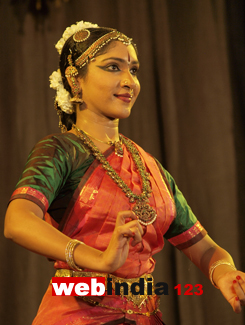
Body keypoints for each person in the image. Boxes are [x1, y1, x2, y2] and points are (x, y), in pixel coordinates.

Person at [4, 20, 245, 325]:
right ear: (75, 79)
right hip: (76, 316)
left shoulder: (150, 167)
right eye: (113, 67)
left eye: (133, 69)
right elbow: (17, 221)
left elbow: (204, 247)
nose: (130, 80)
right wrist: (99, 259)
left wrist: (223, 272)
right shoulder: (61, 151)